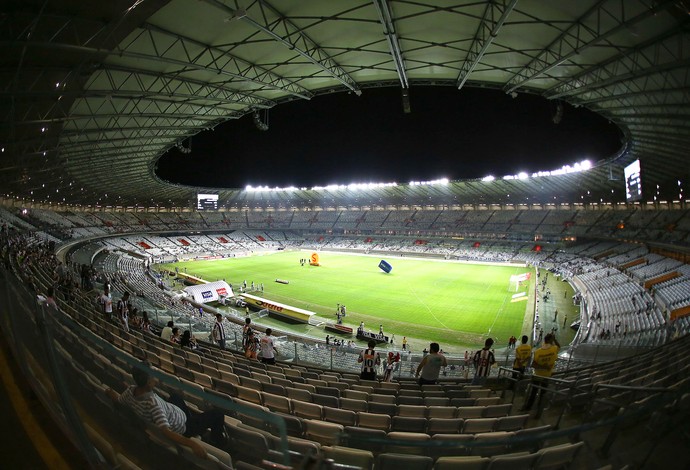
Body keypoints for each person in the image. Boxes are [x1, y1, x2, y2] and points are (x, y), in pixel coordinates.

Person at [105, 362, 226, 456]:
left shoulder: (130, 390)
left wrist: (110, 392)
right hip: (184, 426)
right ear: (148, 383)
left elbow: (118, 399)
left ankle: (192, 418)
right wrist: (192, 444)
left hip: (172, 412)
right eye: (154, 376)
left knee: (175, 396)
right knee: (218, 414)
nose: (156, 378)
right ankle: (216, 441)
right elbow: (166, 432)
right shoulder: (153, 405)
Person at [522, 333, 561, 412]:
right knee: (543, 393)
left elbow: (533, 364)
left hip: (537, 375)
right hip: (547, 376)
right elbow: (559, 346)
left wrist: (542, 367)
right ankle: (539, 409)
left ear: (544, 340)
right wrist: (554, 339)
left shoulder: (538, 352)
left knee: (534, 392)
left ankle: (528, 407)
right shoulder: (554, 349)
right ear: (551, 340)